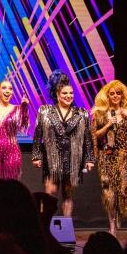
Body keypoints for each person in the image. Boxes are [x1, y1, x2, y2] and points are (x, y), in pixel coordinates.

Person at [32, 70, 95, 217]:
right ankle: (45, 224)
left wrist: (89, 159)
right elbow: (37, 135)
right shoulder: (45, 111)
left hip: (73, 158)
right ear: (57, 94)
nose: (68, 96)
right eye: (65, 93)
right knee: (50, 193)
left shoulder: (82, 113)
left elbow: (88, 137)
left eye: (71, 93)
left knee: (68, 194)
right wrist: (36, 155)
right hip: (52, 158)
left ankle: (67, 225)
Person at [91, 80, 127, 234]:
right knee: (108, 190)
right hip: (108, 156)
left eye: (118, 93)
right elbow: (95, 135)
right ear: (107, 96)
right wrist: (108, 125)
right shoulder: (100, 114)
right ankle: (112, 225)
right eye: (112, 94)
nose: (115, 96)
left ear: (122, 95)